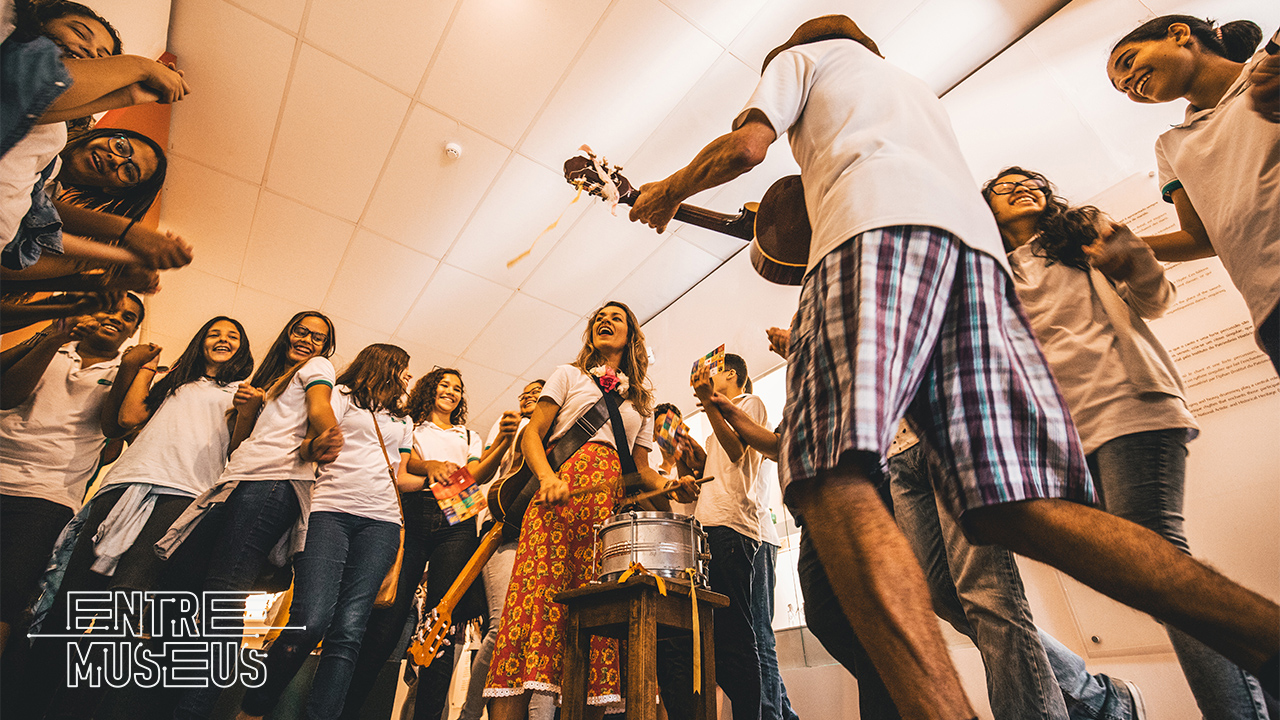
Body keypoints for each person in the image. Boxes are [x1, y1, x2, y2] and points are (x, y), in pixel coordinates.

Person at [629, 15, 1280, 717]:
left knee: (828, 475)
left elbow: (746, 147)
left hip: (873, 233)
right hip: (975, 262)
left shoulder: (804, 59)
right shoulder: (907, 86)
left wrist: (665, 190)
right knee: (1015, 507)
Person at [984, 166, 1270, 717]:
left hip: (1129, 403)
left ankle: (1239, 707)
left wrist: (1133, 259)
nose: (1023, 187)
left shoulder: (1083, 232)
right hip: (1066, 434)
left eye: (1034, 182)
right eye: (1005, 185)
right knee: (1147, 573)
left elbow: (1155, 298)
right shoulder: (989, 271)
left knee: (1157, 559)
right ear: (986, 207)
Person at [31, 316, 253, 719]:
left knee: (125, 606)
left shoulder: (242, 393)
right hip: (123, 485)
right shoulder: (170, 381)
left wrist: (250, 411)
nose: (222, 339)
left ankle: (76, 709)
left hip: (182, 495)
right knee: (72, 598)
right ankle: (30, 701)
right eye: (214, 333)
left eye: (232, 336)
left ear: (243, 348)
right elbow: (130, 418)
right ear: (200, 342)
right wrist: (147, 368)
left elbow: (237, 451)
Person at [484, 301, 697, 719]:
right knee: (533, 613)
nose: (605, 320)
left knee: (595, 621)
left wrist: (673, 485)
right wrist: (547, 477)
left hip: (604, 522)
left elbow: (640, 471)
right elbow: (533, 436)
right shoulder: (569, 375)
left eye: (616, 317)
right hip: (554, 509)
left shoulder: (642, 403)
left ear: (632, 336)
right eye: (599, 316)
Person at [165, 311, 340, 720]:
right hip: (241, 482)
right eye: (302, 331)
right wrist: (248, 410)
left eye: (319, 337)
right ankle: (182, 703)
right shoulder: (271, 383)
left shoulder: (317, 367)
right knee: (194, 590)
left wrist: (327, 431)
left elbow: (320, 405)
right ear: (287, 334)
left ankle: (192, 712)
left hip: (271, 485)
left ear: (325, 348)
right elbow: (240, 445)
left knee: (220, 603)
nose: (308, 340)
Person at [237, 344, 415, 720]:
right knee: (311, 619)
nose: (409, 378)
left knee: (349, 630)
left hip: (382, 521)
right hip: (329, 511)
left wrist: (442, 476)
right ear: (384, 365)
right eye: (404, 369)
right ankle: (254, 709)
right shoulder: (340, 396)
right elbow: (305, 443)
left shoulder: (404, 420)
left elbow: (400, 476)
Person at [1106, 16, 1278, 372]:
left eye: (1128, 62)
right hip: (1270, 307)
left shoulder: (1270, 69)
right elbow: (1201, 238)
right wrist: (1132, 247)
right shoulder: (1170, 145)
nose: (1128, 84)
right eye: (1122, 88)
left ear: (1179, 34)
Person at [340, 367, 509, 720]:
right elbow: (403, 464)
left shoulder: (468, 435)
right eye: (444, 385)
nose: (451, 391)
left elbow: (476, 475)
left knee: (441, 623)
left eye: (458, 388)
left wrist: (504, 444)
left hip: (459, 511)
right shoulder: (409, 424)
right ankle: (345, 709)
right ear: (429, 390)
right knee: (387, 620)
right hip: (413, 512)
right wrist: (429, 464)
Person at [2, 2, 192, 277]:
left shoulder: (46, 170)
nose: (116, 158)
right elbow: (34, 92)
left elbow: (20, 246)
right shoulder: (9, 28)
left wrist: (130, 92)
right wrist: (138, 69)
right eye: (121, 145)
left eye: (129, 171)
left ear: (114, 191)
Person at [0, 292, 144, 655]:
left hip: (48, 496)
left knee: (7, 595)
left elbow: (114, 430)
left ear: (134, 332)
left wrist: (130, 369)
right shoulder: (53, 345)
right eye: (111, 308)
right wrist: (55, 335)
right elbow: (6, 394)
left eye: (128, 317)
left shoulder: (122, 373)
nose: (117, 318)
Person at [659, 353, 770, 720]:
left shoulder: (748, 402)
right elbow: (721, 467)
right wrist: (693, 456)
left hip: (731, 528)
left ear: (733, 375)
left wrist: (709, 404)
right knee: (717, 639)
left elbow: (738, 451)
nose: (709, 374)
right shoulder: (716, 420)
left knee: (736, 637)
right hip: (711, 529)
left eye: (716, 369)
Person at [457, 379, 556, 720]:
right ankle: (469, 714)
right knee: (501, 627)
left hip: (540, 532)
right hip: (502, 530)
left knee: (542, 632)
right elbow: (473, 484)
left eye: (537, 392)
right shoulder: (508, 428)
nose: (529, 396)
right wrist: (503, 437)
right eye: (525, 392)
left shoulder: (553, 433)